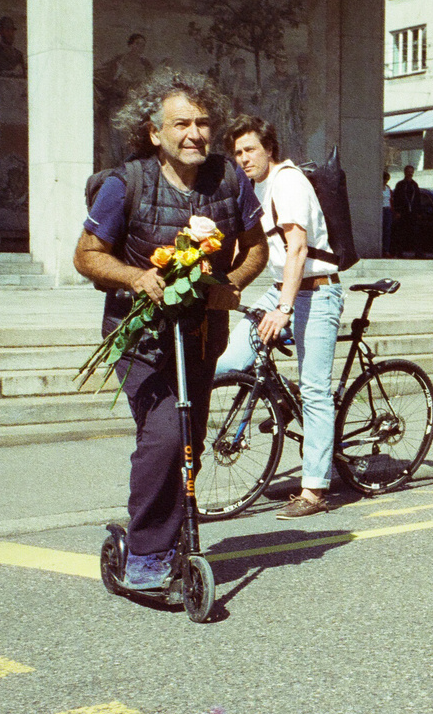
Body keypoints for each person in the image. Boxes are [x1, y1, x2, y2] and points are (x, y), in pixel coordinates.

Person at [73, 74, 267, 591]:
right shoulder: (126, 184)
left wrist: (232, 283)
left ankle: (172, 535)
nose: (196, 133)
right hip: (138, 336)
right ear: (154, 133)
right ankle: (145, 555)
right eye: (182, 123)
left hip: (201, 333)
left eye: (204, 123)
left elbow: (256, 247)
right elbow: (86, 256)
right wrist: (137, 277)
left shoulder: (230, 181)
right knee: (163, 435)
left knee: (190, 437)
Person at [225, 116, 343, 520]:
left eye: (250, 149)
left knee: (315, 390)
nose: (243, 158)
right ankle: (282, 396)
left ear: (269, 149)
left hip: (316, 292)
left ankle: (314, 490)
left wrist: (283, 309)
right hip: (283, 288)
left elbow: (296, 249)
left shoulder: (288, 182)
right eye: (237, 152)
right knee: (231, 360)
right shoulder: (255, 188)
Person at [391, 164, 420, 256]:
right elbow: (396, 198)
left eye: (411, 172)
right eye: (408, 172)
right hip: (403, 213)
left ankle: (417, 252)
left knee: (415, 232)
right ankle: (400, 252)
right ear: (405, 172)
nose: (410, 174)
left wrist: (418, 212)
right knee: (401, 232)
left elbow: (418, 199)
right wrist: (397, 211)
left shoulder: (414, 185)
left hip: (413, 213)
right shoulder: (400, 185)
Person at [381, 171, 393, 257]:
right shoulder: (378, 188)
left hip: (387, 209)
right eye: (384, 179)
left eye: (387, 180)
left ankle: (386, 249)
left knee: (387, 230)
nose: (386, 181)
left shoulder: (388, 188)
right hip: (381, 209)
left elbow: (391, 199)